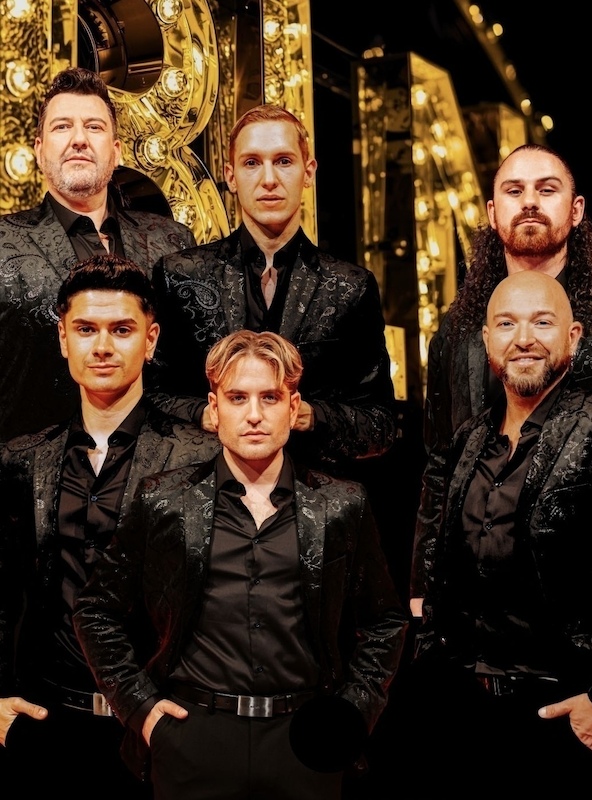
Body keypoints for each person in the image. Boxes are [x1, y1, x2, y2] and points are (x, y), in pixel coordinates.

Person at [72, 329, 408, 800]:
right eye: (237, 398)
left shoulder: (341, 504)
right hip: (193, 737)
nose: (254, 414)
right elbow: (96, 610)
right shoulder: (164, 500)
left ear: (292, 407)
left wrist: (353, 712)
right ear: (214, 409)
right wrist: (141, 710)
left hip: (306, 741)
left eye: (269, 397)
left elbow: (384, 621)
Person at [405, 270, 592, 795]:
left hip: (569, 714)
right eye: (507, 324)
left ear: (573, 337)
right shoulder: (470, 440)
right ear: (487, 340)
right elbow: (444, 571)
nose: (524, 339)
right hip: (467, 716)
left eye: (542, 323)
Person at [0, 254, 220, 797]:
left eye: (121, 330)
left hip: (164, 732)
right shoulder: (21, 460)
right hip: (48, 730)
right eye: (86, 329)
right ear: (62, 338)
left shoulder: (203, 457)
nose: (102, 346)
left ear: (150, 340)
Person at [410, 143, 592, 613]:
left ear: (576, 210)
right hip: (478, 592)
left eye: (547, 189)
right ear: (492, 213)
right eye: (515, 191)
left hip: (591, 587)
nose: (531, 202)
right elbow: (439, 464)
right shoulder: (457, 331)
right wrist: (424, 583)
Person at [151, 104, 395, 475]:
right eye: (252, 163)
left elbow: (380, 424)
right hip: (201, 489)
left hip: (312, 493)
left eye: (283, 161)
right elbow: (150, 397)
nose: (268, 179)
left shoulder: (350, 287)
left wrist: (307, 415)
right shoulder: (179, 275)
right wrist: (207, 413)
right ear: (231, 176)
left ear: (308, 172)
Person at [0, 67, 197, 441]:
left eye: (94, 127)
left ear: (116, 150)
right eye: (62, 127)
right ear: (39, 150)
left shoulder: (172, 241)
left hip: (159, 465)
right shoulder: (2, 240)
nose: (79, 139)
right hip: (29, 468)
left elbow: (193, 368)